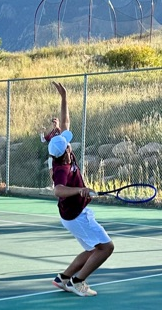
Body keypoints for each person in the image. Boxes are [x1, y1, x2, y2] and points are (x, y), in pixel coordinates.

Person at [48, 82, 114, 297]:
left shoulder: (61, 150)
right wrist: (79, 190)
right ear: (64, 151)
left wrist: (64, 97)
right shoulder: (61, 168)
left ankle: (63, 278)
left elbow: (66, 123)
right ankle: (78, 281)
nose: (69, 143)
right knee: (106, 248)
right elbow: (58, 190)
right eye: (67, 144)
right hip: (76, 215)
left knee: (90, 250)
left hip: (74, 213)